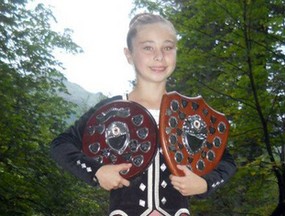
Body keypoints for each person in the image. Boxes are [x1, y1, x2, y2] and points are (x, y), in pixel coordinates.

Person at [51, 13, 237, 216]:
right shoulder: (111, 111)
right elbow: (61, 144)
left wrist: (204, 184)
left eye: (167, 47)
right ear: (129, 54)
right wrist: (96, 171)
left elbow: (226, 160)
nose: (159, 56)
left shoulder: (189, 114)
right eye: (148, 47)